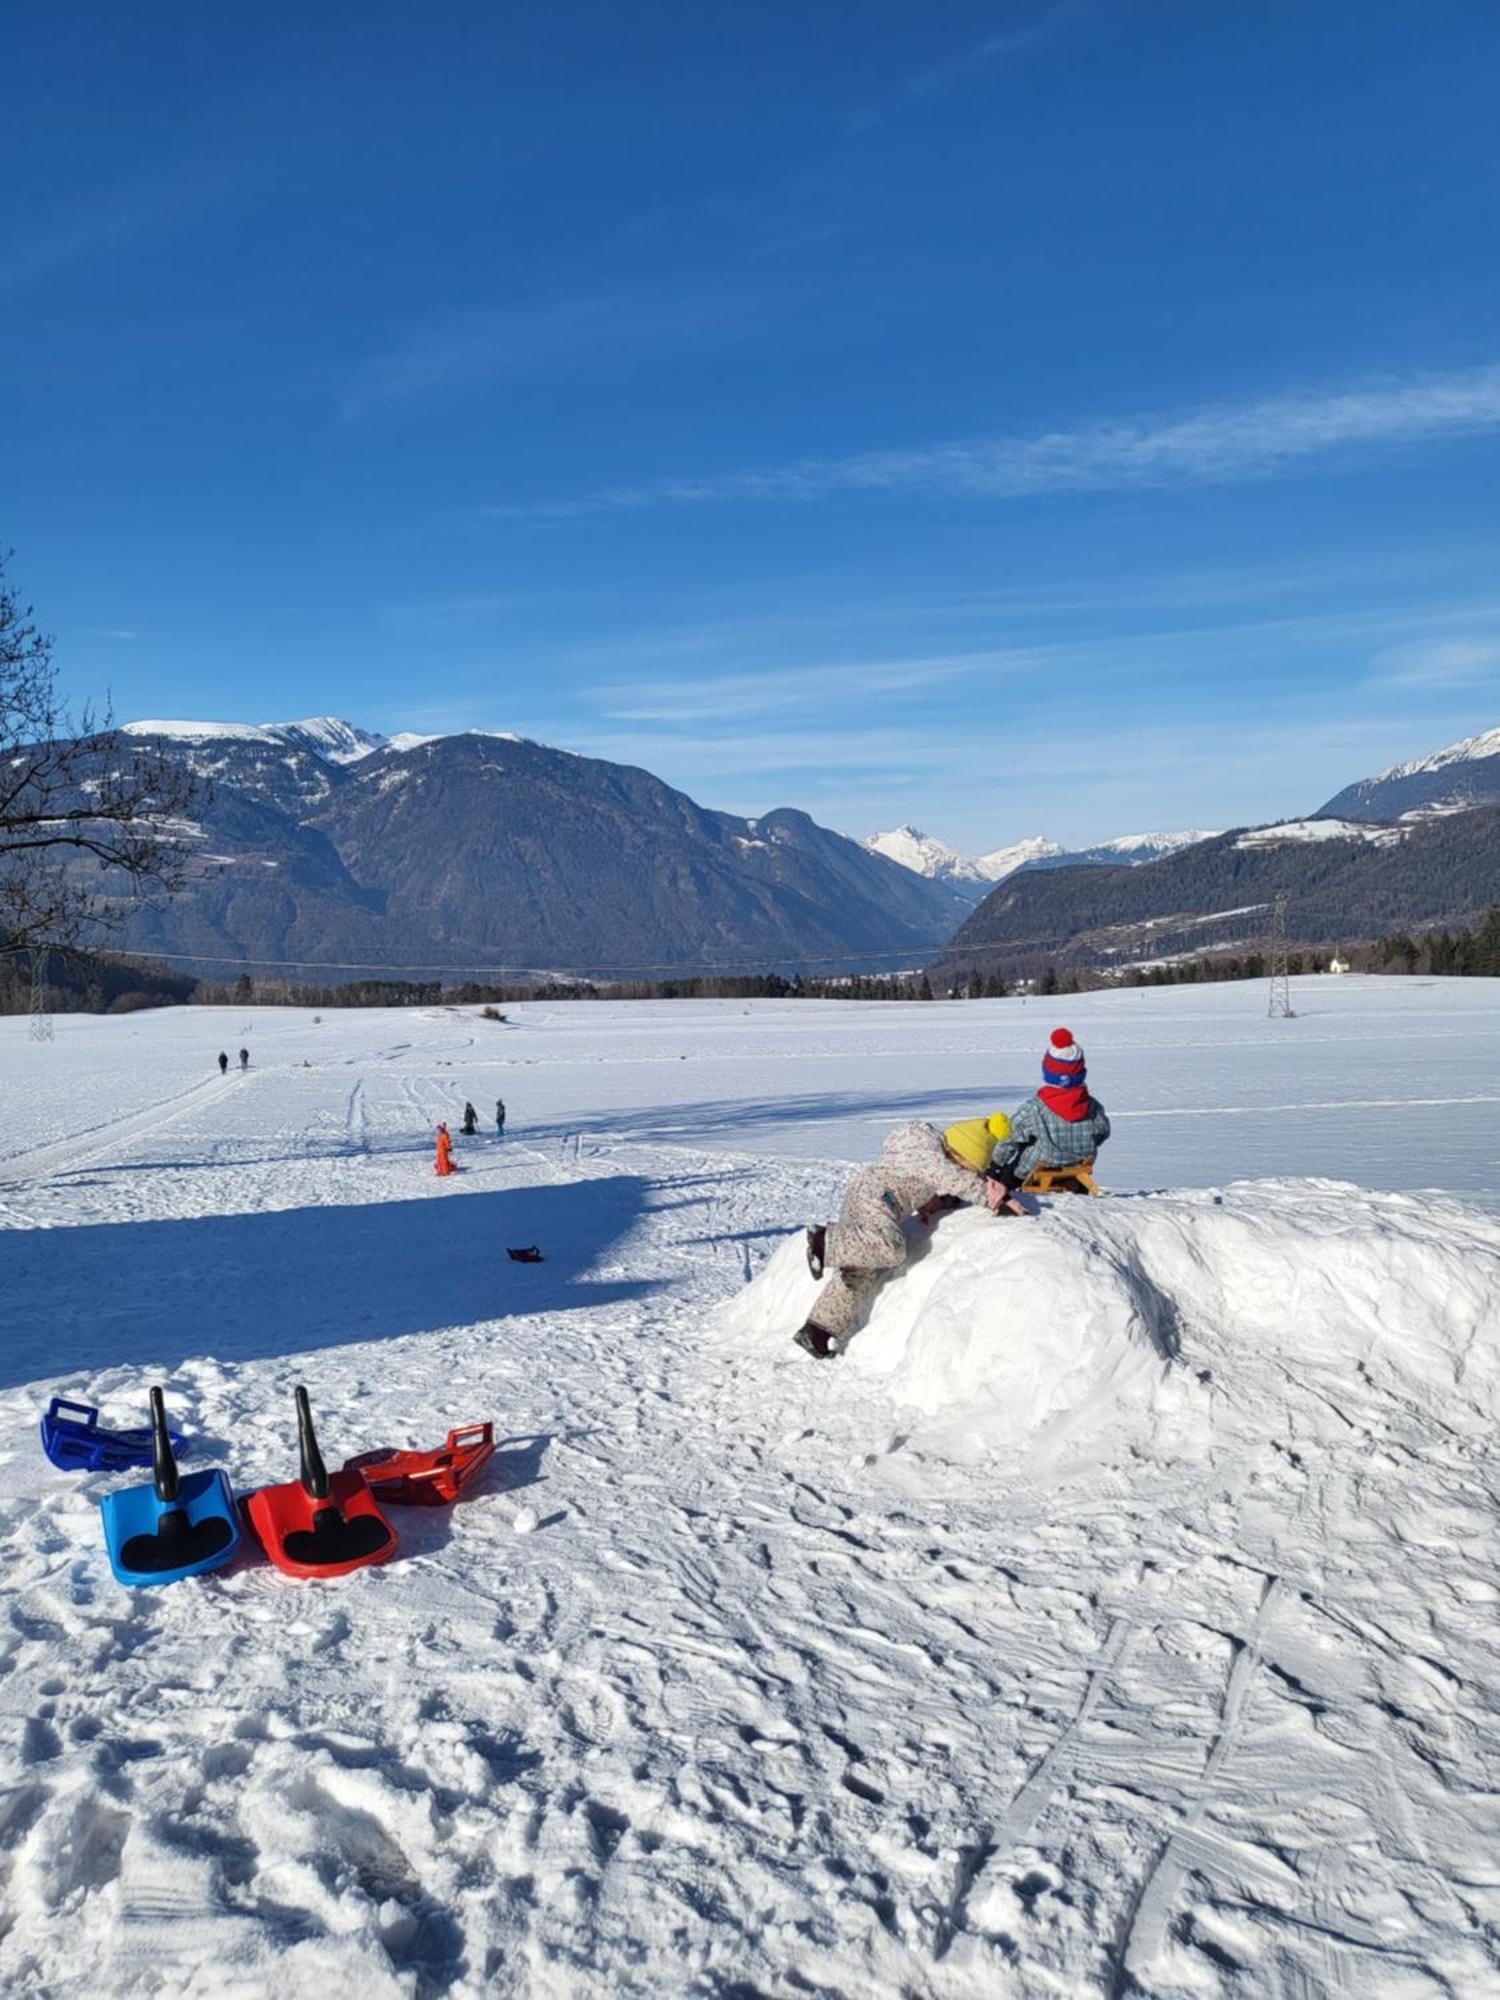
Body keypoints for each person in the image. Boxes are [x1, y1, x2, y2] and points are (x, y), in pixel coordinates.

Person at [795, 1114, 1021, 1360]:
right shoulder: (930, 1156)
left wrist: (933, 1205)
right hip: (875, 1199)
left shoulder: (929, 1162)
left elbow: (927, 1184)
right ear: (958, 1154)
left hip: (867, 1198)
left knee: (859, 1273)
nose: (965, 1174)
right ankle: (823, 1241)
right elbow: (951, 1179)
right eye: (967, 1169)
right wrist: (996, 1200)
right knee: (892, 1248)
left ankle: (817, 1330)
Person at [986, 1028, 1111, 1196]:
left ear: (1048, 1072)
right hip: (1078, 1167)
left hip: (1034, 1169)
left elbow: (1010, 1138)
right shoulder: (1093, 1107)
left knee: (1008, 1174)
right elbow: (1103, 1132)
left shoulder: (1035, 1109)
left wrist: (996, 1165)